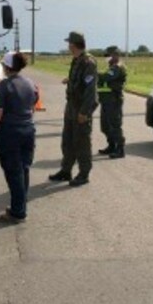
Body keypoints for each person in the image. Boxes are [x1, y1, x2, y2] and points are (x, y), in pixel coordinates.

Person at [0, 51, 37, 223]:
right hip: (28, 131)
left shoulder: (3, 86)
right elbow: (32, 105)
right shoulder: (30, 83)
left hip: (11, 134)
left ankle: (18, 212)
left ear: (6, 66)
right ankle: (20, 205)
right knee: (23, 170)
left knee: (13, 173)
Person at [48, 31, 98, 187]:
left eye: (69, 43)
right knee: (68, 141)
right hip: (71, 106)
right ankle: (66, 170)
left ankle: (84, 174)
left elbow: (90, 90)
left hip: (81, 108)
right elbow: (79, 80)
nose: (68, 46)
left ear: (75, 44)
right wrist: (69, 81)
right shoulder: (76, 60)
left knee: (82, 142)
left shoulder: (88, 62)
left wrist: (84, 112)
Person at [97, 45, 127, 159]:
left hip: (114, 100)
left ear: (115, 55)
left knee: (115, 125)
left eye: (109, 55)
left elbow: (105, 77)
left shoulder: (118, 67)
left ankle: (120, 149)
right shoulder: (111, 67)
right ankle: (111, 145)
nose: (107, 58)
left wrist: (95, 73)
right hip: (106, 100)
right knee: (105, 126)